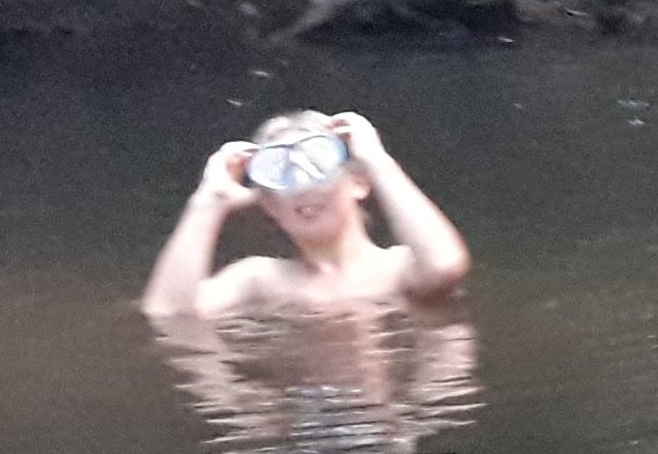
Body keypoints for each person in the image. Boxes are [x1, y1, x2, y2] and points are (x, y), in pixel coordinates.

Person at [139, 108, 471, 322]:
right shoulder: (261, 281)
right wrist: (207, 201)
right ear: (271, 207)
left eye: (317, 165)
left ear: (358, 182)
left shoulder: (398, 268)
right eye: (281, 174)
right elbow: (167, 313)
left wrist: (376, 160)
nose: (301, 188)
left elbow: (445, 266)